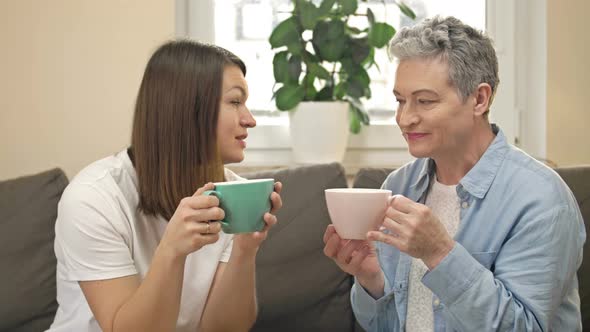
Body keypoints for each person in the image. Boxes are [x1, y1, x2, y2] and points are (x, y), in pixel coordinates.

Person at [323, 16, 585, 331]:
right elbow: (384, 325)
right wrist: (371, 280)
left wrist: (440, 253)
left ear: (479, 98)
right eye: (400, 101)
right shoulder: (398, 186)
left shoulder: (541, 200)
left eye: (424, 101)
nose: (405, 119)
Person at [47, 40, 283, 332]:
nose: (250, 120)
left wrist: (244, 251)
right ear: (186, 109)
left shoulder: (234, 193)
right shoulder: (93, 198)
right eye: (235, 102)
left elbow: (223, 328)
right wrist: (172, 250)